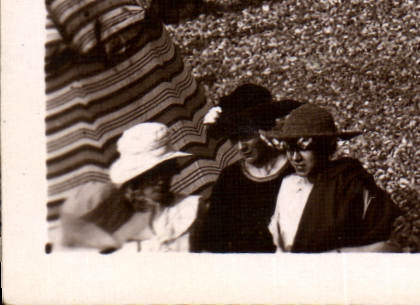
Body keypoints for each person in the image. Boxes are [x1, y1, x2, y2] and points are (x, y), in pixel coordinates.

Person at [265, 103, 398, 252]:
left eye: (304, 148)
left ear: (325, 147)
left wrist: (335, 256)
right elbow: (279, 246)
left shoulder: (352, 183)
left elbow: (389, 246)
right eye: (290, 149)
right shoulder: (288, 185)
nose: (295, 158)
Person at [197, 85, 302, 253]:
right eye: (234, 138)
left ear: (264, 131)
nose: (240, 147)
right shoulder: (230, 178)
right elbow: (213, 239)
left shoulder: (296, 169)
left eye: (246, 136)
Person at [106, 123, 203, 252]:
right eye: (152, 174)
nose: (161, 180)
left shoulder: (192, 210)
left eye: (166, 170)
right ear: (136, 178)